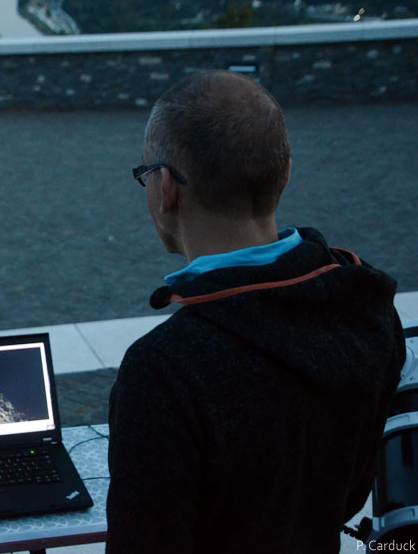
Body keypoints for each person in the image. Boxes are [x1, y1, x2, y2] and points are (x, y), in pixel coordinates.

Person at [107, 70, 405, 553]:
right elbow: (348, 492)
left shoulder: (164, 371)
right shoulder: (367, 305)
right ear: (283, 174)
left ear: (166, 187)